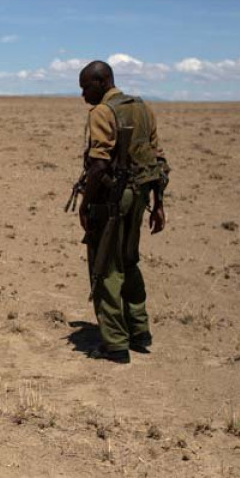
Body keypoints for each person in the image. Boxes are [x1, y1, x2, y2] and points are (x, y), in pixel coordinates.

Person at [76, 60, 169, 364]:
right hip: (141, 195)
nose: (83, 95)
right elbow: (157, 160)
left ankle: (115, 343)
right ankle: (139, 332)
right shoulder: (143, 107)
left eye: (85, 87)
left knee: (105, 267)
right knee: (130, 261)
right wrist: (158, 205)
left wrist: (86, 203)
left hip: (113, 200)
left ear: (101, 82)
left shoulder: (103, 112)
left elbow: (99, 163)